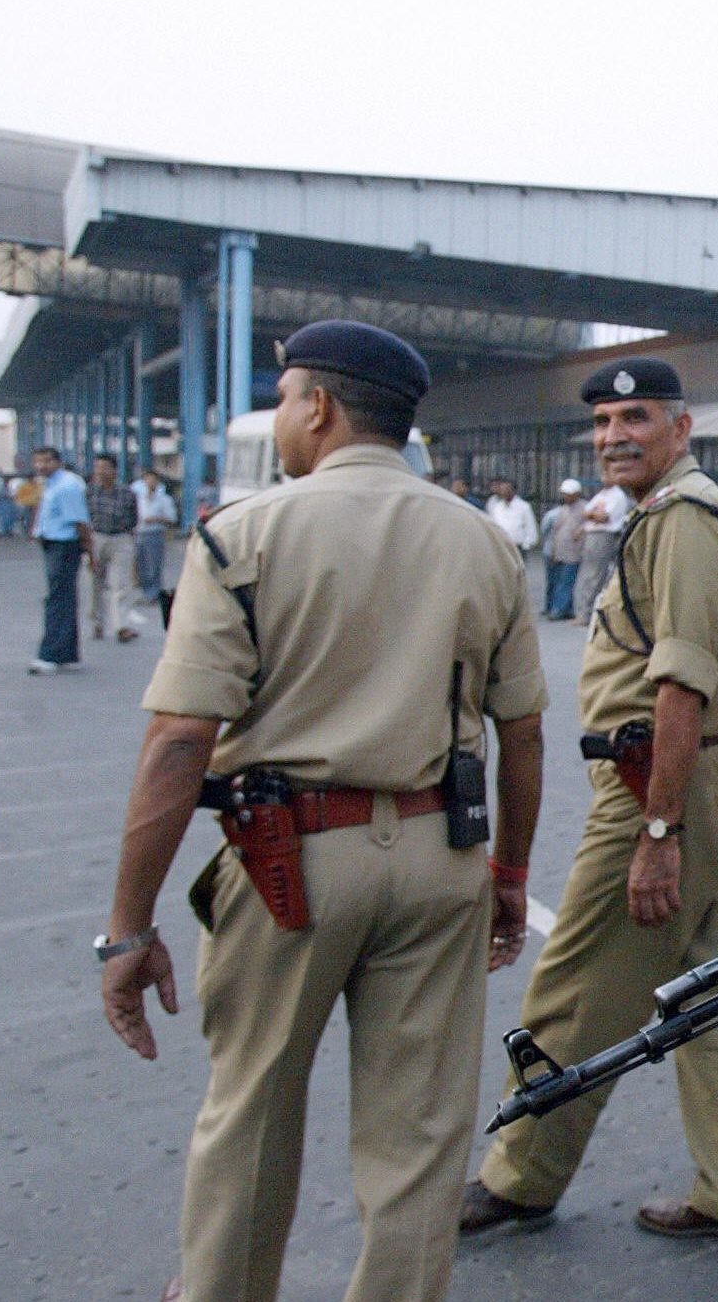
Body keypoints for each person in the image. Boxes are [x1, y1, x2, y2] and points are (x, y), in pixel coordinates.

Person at [95, 319, 548, 1302]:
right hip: (441, 856)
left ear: (318, 407)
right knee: (422, 1138)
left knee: (251, 1114)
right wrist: (508, 877)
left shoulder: (245, 533)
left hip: (288, 863)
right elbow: (523, 735)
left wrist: (127, 928)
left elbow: (179, 741)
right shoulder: (481, 541)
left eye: (288, 394)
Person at [464, 355, 718, 1245]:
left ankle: (520, 1176)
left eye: (636, 419)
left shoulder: (679, 519)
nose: (614, 438)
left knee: (576, 987)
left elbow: (679, 684)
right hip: (695, 779)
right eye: (603, 424)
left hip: (659, 781)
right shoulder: (679, 513)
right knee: (717, 993)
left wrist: (655, 831)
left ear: (680, 428)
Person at [28, 446, 91, 675]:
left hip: (64, 545)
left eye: (46, 461)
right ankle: (66, 652)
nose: (41, 466)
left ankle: (50, 655)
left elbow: (80, 521)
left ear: (58, 462)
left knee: (57, 599)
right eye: (38, 461)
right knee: (62, 598)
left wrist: (89, 549)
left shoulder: (67, 486)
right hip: (52, 542)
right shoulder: (49, 484)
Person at [85, 453, 141, 643]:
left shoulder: (127, 493)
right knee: (95, 582)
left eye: (104, 467)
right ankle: (97, 623)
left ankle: (121, 626)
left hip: (121, 538)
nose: (100, 471)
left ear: (115, 470)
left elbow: (134, 518)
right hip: (97, 537)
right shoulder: (89, 492)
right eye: (97, 467)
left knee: (122, 584)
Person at [575, 477, 631, 623]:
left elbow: (604, 518)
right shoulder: (602, 494)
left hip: (604, 535)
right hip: (592, 534)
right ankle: (584, 612)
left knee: (595, 576)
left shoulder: (617, 496)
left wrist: (592, 514)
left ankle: (587, 614)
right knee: (587, 575)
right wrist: (593, 515)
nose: (603, 478)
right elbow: (585, 512)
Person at [540, 478, 587, 620]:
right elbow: (553, 531)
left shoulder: (585, 508)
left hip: (574, 552)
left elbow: (591, 525)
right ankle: (565, 608)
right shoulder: (562, 510)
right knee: (557, 581)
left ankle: (558, 610)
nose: (566, 496)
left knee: (566, 582)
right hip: (559, 550)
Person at [132, 468, 178, 613]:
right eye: (147, 479)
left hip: (155, 533)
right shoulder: (139, 498)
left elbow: (172, 518)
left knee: (154, 564)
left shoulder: (164, 500)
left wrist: (157, 519)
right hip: (140, 533)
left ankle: (154, 593)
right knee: (141, 564)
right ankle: (146, 592)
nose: (150, 482)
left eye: (153, 479)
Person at [484, 477, 538, 560]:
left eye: (506, 489)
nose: (503, 492)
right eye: (502, 489)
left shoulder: (523, 506)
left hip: (517, 546)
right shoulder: (497, 507)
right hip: (501, 545)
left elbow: (530, 526)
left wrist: (526, 544)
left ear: (513, 491)